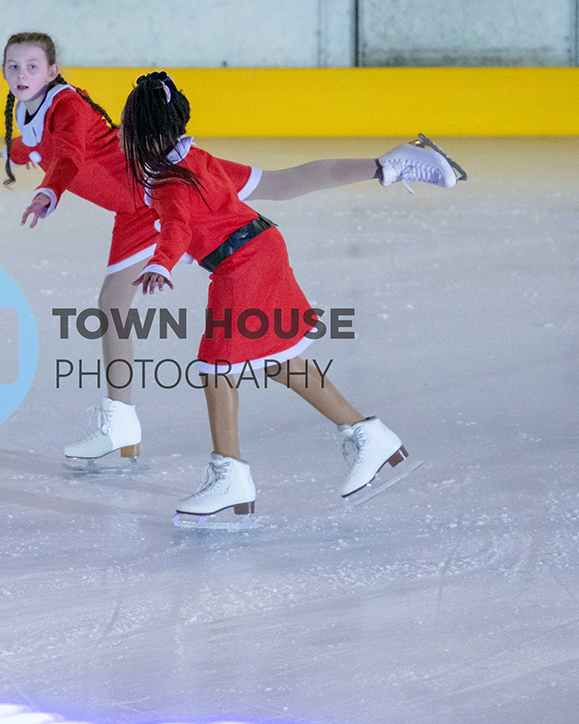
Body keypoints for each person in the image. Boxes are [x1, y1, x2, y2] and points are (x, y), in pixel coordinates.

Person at [0, 33, 460, 472]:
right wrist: (19, 153)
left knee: (118, 305)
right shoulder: (30, 109)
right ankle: (390, 165)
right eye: (13, 65)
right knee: (275, 186)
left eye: (32, 65)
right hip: (147, 194)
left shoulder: (68, 106)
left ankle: (126, 425)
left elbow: (71, 157)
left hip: (153, 194)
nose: (22, 73)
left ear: (53, 70)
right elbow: (49, 146)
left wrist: (50, 191)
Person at [120, 71, 463, 522]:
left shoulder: (168, 180)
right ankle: (368, 436)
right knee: (277, 361)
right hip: (262, 248)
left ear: (139, 136)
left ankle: (230, 477)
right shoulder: (196, 159)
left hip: (241, 263)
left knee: (216, 366)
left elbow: (180, 227)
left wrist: (160, 263)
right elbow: (279, 184)